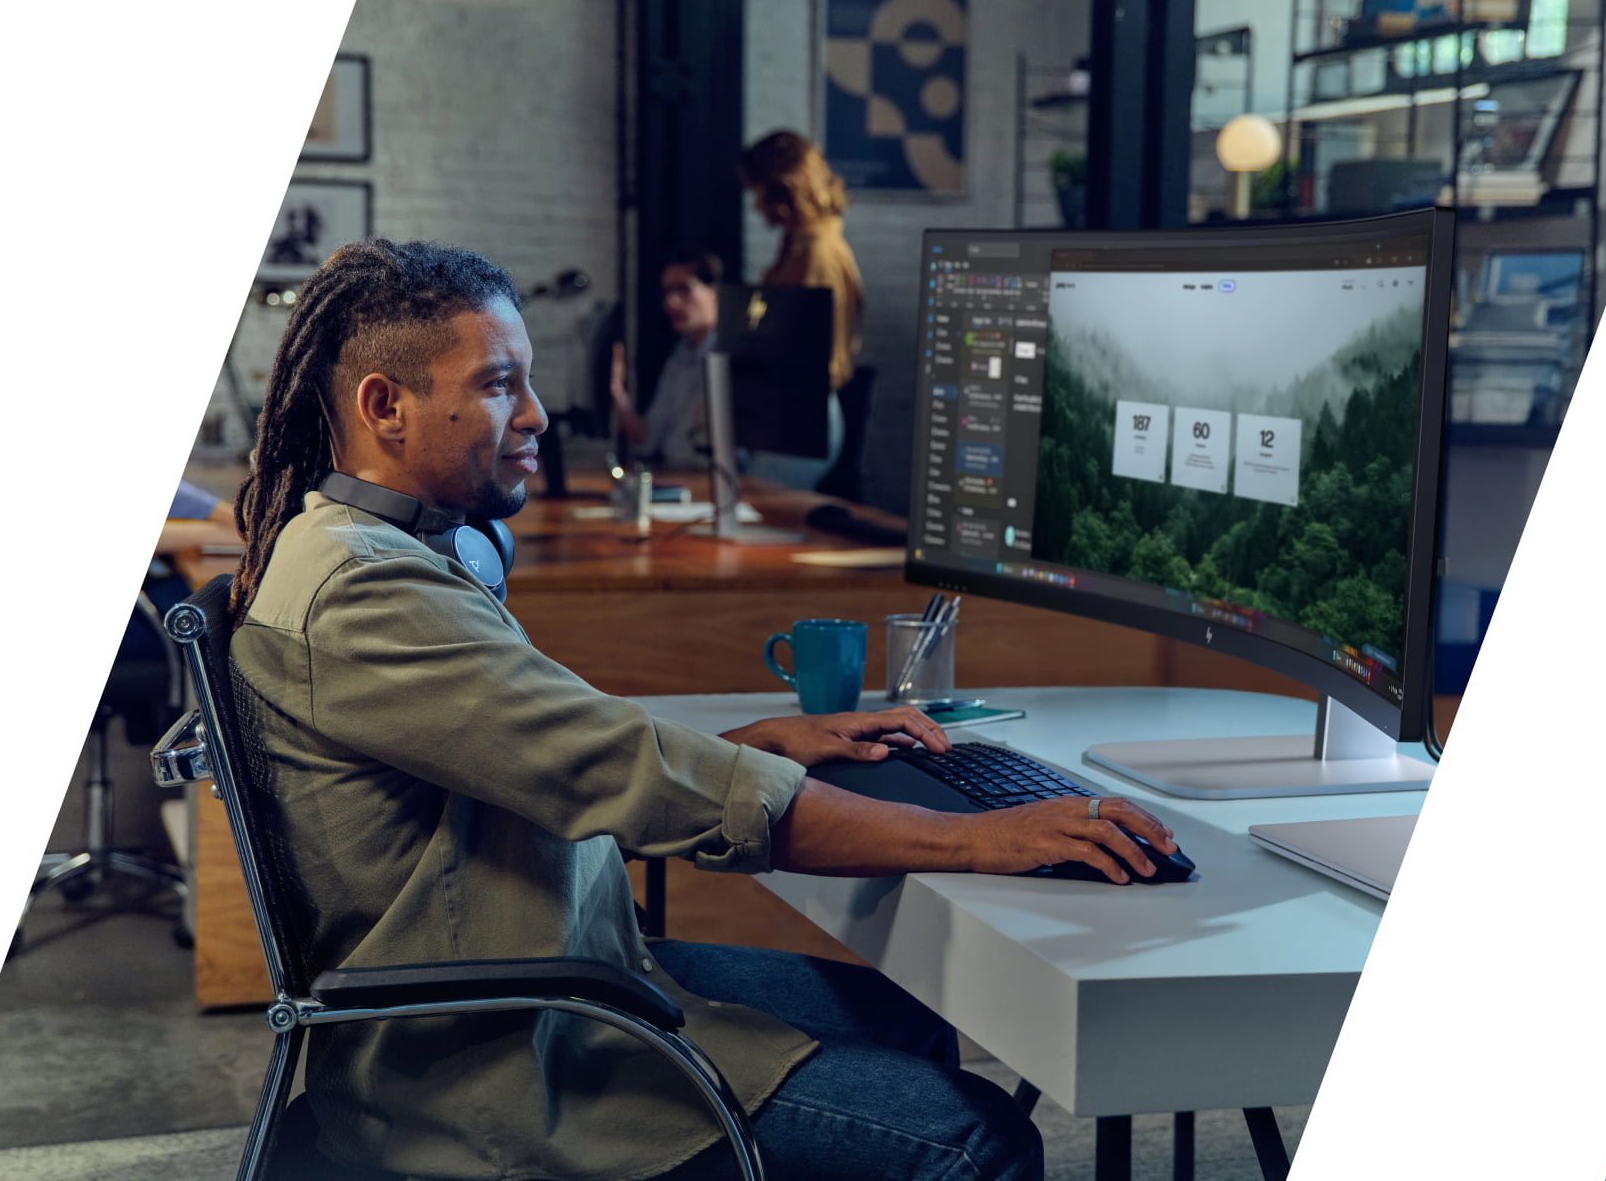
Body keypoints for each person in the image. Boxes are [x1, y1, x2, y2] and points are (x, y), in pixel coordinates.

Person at [226, 238, 1182, 1181]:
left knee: (914, 1020)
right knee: (973, 1140)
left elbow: (544, 755)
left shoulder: (374, 554)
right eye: (496, 385)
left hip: (543, 972)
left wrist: (753, 745)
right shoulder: (365, 594)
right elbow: (617, 770)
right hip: (494, 1060)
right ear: (384, 407)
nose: (536, 414)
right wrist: (978, 837)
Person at [741, 130, 863, 490]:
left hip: (802, 411)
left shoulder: (818, 255)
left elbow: (821, 354)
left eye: (758, 192)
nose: (756, 206)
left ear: (782, 187)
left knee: (761, 509)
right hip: (785, 406)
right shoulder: (796, 247)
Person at [609, 247, 722, 471]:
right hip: (678, 477)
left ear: (713, 292)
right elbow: (648, 437)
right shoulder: (680, 356)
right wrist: (617, 394)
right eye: (667, 292)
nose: (671, 302)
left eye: (684, 290)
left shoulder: (732, 356)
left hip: (718, 481)